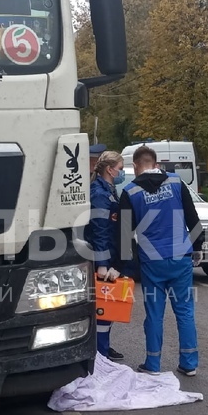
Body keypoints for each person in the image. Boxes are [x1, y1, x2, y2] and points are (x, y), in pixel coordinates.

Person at [118, 145, 204, 376]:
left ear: (136, 166)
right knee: (185, 311)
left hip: (152, 262)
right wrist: (197, 247)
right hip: (180, 257)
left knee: (154, 314)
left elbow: (125, 234)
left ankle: (153, 365)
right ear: (156, 164)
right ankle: (189, 364)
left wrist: (124, 267)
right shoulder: (177, 183)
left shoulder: (130, 192)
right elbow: (193, 219)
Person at [86, 149, 125, 361]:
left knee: (107, 306)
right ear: (109, 169)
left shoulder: (108, 189)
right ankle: (100, 353)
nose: (122, 172)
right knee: (103, 306)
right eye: (120, 169)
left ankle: (104, 347)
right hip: (100, 255)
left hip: (107, 252)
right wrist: (102, 263)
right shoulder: (99, 193)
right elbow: (99, 229)